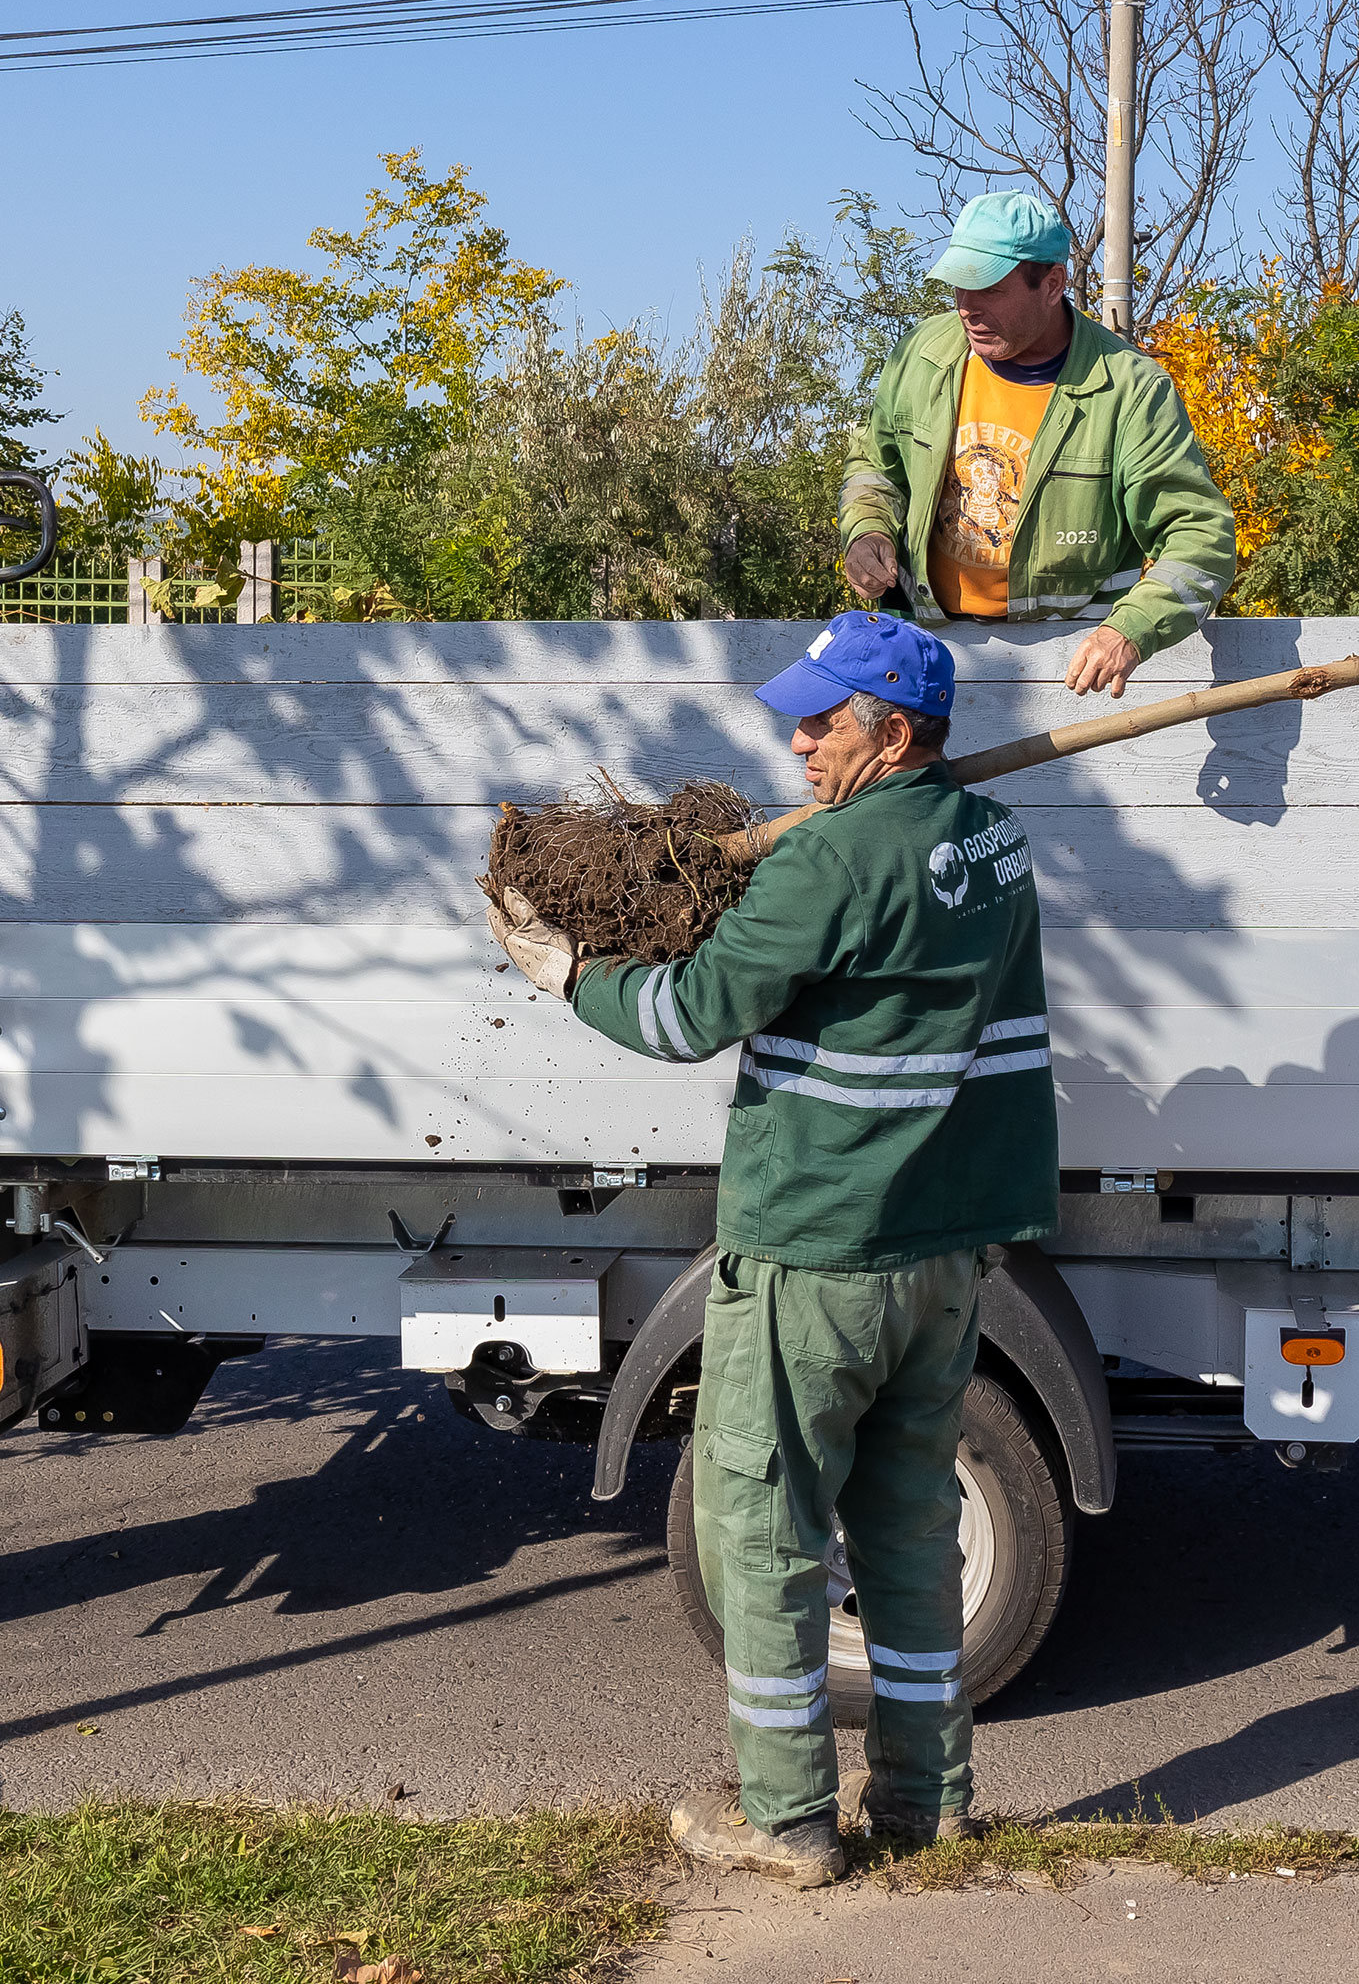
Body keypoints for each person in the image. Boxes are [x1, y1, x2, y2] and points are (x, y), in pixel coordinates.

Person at [484, 612, 1055, 1886]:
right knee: (908, 1526)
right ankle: (924, 1799)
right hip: (945, 1252)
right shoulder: (993, 840)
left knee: (762, 1523)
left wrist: (567, 970)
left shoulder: (833, 864)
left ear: (893, 731)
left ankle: (787, 1818)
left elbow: (691, 1010)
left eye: (822, 720)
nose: (795, 741)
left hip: (820, 1251)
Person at [838, 187, 1236, 699]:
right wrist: (869, 530)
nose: (967, 308)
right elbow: (875, 466)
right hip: (927, 657)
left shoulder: (1131, 389)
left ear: (1052, 284)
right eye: (958, 287)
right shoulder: (920, 356)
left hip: (1074, 673)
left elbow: (1201, 536)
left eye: (989, 290)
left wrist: (1130, 630)